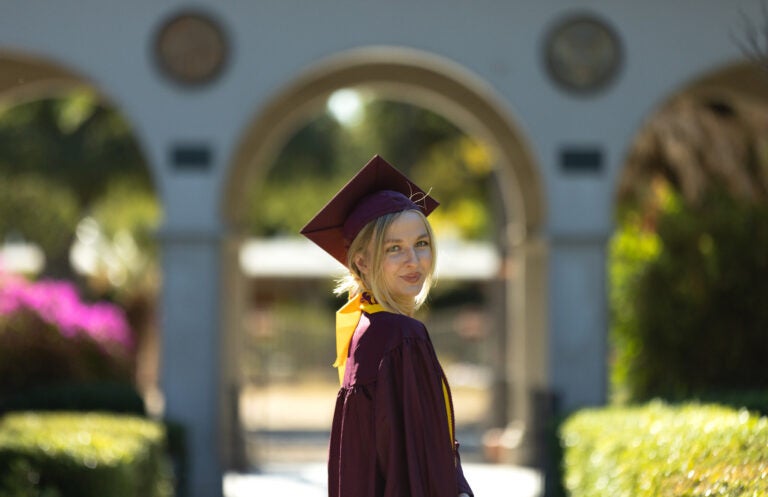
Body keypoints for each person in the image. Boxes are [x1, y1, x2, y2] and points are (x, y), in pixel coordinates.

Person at [301, 155, 474, 497]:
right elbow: (417, 467)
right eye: (394, 248)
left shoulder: (364, 332)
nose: (414, 261)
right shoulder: (402, 337)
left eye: (421, 244)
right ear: (362, 261)